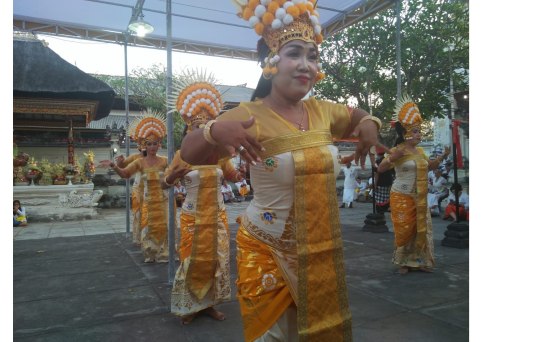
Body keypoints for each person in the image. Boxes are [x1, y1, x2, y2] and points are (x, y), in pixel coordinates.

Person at [178, 3, 380, 340]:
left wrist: (370, 123)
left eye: (313, 56)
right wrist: (214, 130)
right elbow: (187, 152)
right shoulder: (248, 114)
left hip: (321, 248)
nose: (306, 65)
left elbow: (357, 115)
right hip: (266, 249)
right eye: (295, 54)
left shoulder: (323, 111)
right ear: (270, 61)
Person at [163, 73, 245, 325]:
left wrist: (247, 165)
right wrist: (173, 175)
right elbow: (164, 182)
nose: (202, 130)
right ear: (190, 128)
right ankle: (190, 305)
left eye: (207, 126)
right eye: (197, 127)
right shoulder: (183, 154)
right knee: (190, 260)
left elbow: (235, 177)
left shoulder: (221, 154)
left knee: (216, 260)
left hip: (218, 215)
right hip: (191, 216)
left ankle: (209, 304)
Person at [377, 95, 450, 275]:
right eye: (416, 131)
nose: (419, 135)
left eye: (419, 131)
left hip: (420, 196)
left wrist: (443, 157)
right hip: (402, 195)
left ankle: (420, 261)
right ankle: (403, 261)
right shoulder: (398, 150)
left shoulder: (420, 152)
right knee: (405, 229)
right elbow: (380, 169)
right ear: (405, 133)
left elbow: (430, 167)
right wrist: (391, 158)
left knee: (421, 229)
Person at [111, 112, 170, 263]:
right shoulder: (139, 161)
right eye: (149, 144)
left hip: (163, 200)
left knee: (165, 226)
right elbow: (125, 173)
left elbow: (174, 177)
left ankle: (164, 252)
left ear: (159, 144)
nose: (152, 147)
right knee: (147, 225)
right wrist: (114, 165)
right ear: (144, 145)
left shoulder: (165, 161)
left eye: (155, 143)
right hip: (148, 199)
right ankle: (150, 252)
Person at [113, 145, 146, 244]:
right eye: (143, 144)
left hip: (152, 188)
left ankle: (148, 237)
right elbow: (123, 166)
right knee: (138, 213)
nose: (145, 148)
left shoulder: (158, 158)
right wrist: (118, 162)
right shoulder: (135, 157)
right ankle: (138, 237)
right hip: (138, 188)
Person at [374, 144, 394, 213]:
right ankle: (388, 207)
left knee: (379, 198)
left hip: (380, 182)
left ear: (377, 153)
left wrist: (375, 184)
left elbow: (377, 173)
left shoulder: (377, 162)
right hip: (389, 181)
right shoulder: (387, 160)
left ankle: (381, 211)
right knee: (387, 196)